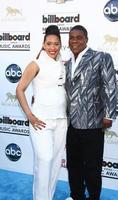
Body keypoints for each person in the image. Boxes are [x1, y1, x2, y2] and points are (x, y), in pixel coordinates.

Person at [65, 25, 118, 200]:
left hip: (93, 122)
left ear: (86, 39)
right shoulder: (68, 63)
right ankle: (76, 195)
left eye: (78, 37)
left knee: (93, 167)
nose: (74, 41)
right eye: (71, 37)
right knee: (74, 165)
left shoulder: (100, 57)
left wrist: (109, 115)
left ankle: (94, 197)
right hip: (71, 124)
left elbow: (110, 86)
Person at [16, 25, 67, 200]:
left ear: (61, 45)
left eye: (56, 44)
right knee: (44, 161)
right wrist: (30, 115)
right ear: (43, 44)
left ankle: (49, 197)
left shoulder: (62, 62)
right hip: (41, 122)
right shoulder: (35, 63)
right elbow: (20, 89)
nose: (52, 47)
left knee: (55, 165)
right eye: (49, 43)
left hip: (61, 121)